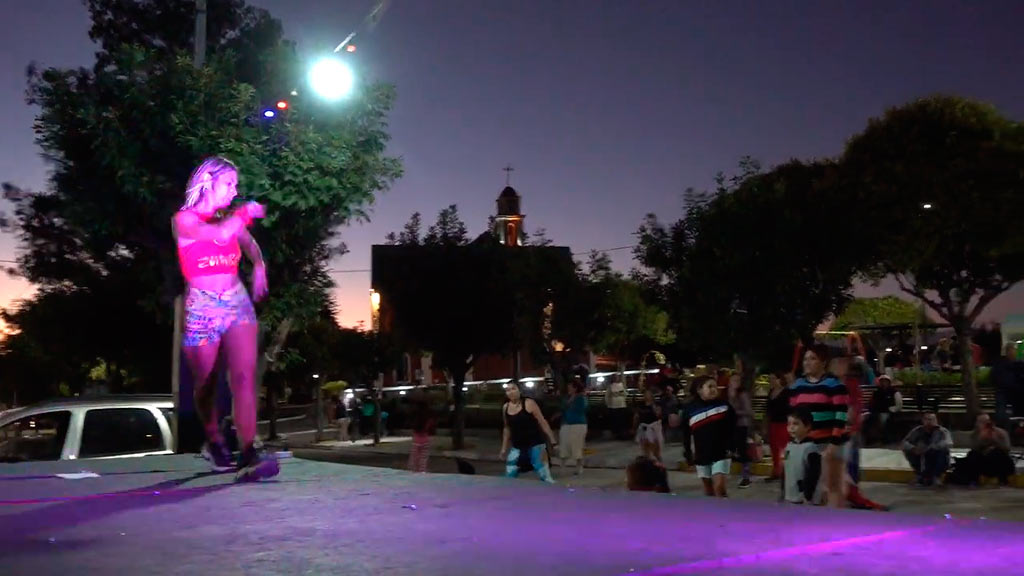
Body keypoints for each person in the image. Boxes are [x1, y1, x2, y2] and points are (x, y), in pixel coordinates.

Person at [172, 156, 278, 481]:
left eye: (236, 185)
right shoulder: (183, 220)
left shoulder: (230, 219)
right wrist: (244, 214)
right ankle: (214, 439)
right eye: (229, 183)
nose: (235, 191)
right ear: (208, 182)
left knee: (244, 377)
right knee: (206, 383)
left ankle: (249, 450)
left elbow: (248, 242)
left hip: (235, 300)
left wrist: (258, 266)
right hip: (201, 307)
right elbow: (216, 235)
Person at [788, 344, 849, 507]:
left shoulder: (834, 385)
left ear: (823, 362)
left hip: (827, 444)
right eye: (805, 359)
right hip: (804, 445)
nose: (807, 362)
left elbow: (841, 416)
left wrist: (833, 445)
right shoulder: (797, 386)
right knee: (805, 489)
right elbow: (793, 416)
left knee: (829, 488)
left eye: (813, 358)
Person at [681, 376, 736, 498]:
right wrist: (688, 453)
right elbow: (686, 434)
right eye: (710, 386)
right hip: (702, 454)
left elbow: (734, 428)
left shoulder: (724, 406)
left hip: (722, 452)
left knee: (719, 488)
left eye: (715, 387)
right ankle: (711, 515)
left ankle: (726, 515)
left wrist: (733, 447)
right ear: (699, 390)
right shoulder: (690, 410)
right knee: (708, 490)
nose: (713, 390)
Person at [500, 382, 558, 483]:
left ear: (519, 390)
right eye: (508, 390)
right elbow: (507, 428)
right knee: (509, 474)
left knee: (544, 475)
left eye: (513, 389)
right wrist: (504, 448)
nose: (511, 392)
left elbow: (542, 422)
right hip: (518, 446)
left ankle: (554, 494)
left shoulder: (529, 403)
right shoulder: (505, 407)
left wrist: (553, 441)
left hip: (536, 444)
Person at [781, 408, 824, 505]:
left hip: (806, 499)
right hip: (790, 496)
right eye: (789, 424)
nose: (791, 427)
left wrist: (807, 496)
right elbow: (786, 468)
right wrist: (783, 492)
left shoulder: (811, 448)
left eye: (796, 424)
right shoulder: (789, 447)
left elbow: (813, 474)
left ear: (807, 426)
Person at [901, 411, 952, 486]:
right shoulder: (917, 431)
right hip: (921, 455)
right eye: (927, 419)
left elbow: (948, 443)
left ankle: (936, 476)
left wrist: (932, 447)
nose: (930, 422)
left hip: (935, 454)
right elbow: (905, 443)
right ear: (923, 420)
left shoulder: (942, 431)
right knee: (909, 451)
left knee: (943, 451)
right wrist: (913, 448)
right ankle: (920, 475)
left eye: (932, 419)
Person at [961, 413, 1014, 486]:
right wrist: (981, 439)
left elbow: (1007, 449)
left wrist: (996, 440)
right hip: (983, 461)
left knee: (997, 453)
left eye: (986, 421)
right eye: (981, 422)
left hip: (997, 461)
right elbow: (974, 448)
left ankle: (1002, 480)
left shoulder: (1001, 432)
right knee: (972, 455)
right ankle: (973, 480)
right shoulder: (975, 434)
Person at [727, 374, 754, 489]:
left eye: (738, 380)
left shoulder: (742, 394)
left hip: (741, 425)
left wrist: (734, 412)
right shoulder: (726, 393)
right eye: (734, 380)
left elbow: (749, 411)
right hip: (729, 425)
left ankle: (746, 477)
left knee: (742, 450)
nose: (736, 382)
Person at [764, 372, 790, 482]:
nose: (772, 381)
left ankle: (787, 472)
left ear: (780, 379)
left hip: (784, 423)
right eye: (770, 379)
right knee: (774, 449)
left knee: (785, 448)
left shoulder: (787, 392)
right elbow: (768, 410)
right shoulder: (770, 392)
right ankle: (776, 472)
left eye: (773, 378)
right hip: (773, 423)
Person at [558, 379, 588, 476]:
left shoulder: (581, 397)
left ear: (575, 388)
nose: (568, 389)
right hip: (566, 424)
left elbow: (583, 408)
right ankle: (562, 466)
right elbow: (562, 407)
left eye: (570, 387)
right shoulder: (567, 397)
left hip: (578, 424)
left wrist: (573, 401)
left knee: (577, 445)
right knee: (564, 445)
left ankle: (579, 466)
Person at [992, 343, 1021, 430]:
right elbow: (997, 378)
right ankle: (1002, 427)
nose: (1014, 352)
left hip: (1015, 392)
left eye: (1015, 350)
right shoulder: (1000, 363)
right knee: (1001, 405)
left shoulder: (1018, 364)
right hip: (1004, 391)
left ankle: (1017, 427)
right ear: (1007, 351)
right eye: (1012, 350)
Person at [867, 374, 902, 445]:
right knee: (870, 419)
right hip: (876, 412)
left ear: (889, 382)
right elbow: (871, 403)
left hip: (888, 412)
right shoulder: (876, 392)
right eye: (882, 381)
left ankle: (884, 439)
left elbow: (899, 404)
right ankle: (873, 439)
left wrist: (893, 409)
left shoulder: (894, 392)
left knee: (883, 420)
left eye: (885, 381)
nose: (883, 383)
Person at [634, 388, 664, 463]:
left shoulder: (656, 405)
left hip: (653, 427)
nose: (646, 396)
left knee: (655, 446)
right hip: (644, 427)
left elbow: (659, 415)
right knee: (645, 446)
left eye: (648, 394)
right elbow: (636, 416)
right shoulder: (640, 405)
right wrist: (634, 426)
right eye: (645, 394)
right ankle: (647, 460)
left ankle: (658, 459)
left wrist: (655, 410)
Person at [407, 394, 435, 473]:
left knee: (415, 458)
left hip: (416, 440)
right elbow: (430, 428)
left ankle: (414, 471)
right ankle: (422, 472)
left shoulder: (416, 416)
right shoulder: (429, 417)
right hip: (426, 439)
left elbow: (413, 426)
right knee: (423, 458)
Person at [604, 374, 628, 439]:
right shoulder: (610, 386)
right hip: (613, 406)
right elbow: (607, 396)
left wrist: (620, 394)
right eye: (614, 377)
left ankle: (622, 434)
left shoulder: (621, 385)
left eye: (617, 377)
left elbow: (625, 394)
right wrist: (608, 404)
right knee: (615, 421)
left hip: (621, 406)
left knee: (622, 421)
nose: (616, 378)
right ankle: (616, 434)